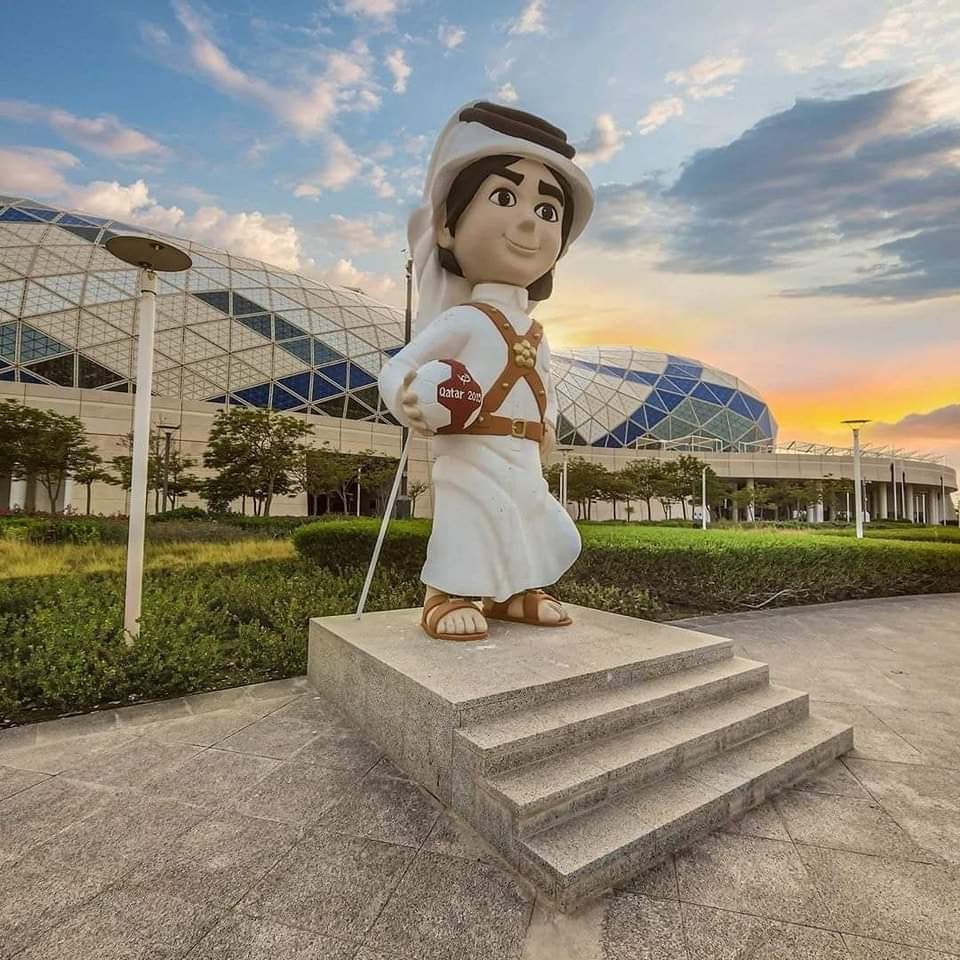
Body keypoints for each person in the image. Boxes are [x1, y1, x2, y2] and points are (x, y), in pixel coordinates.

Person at [378, 101, 594, 642]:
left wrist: (550, 426)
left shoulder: (537, 333)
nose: (529, 220)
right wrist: (405, 396)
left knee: (531, 518)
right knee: (470, 516)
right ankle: (445, 594)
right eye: (504, 197)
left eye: (549, 212)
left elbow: (543, 388)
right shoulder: (465, 318)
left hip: (524, 451)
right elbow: (404, 364)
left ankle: (516, 591)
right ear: (448, 229)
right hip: (469, 444)